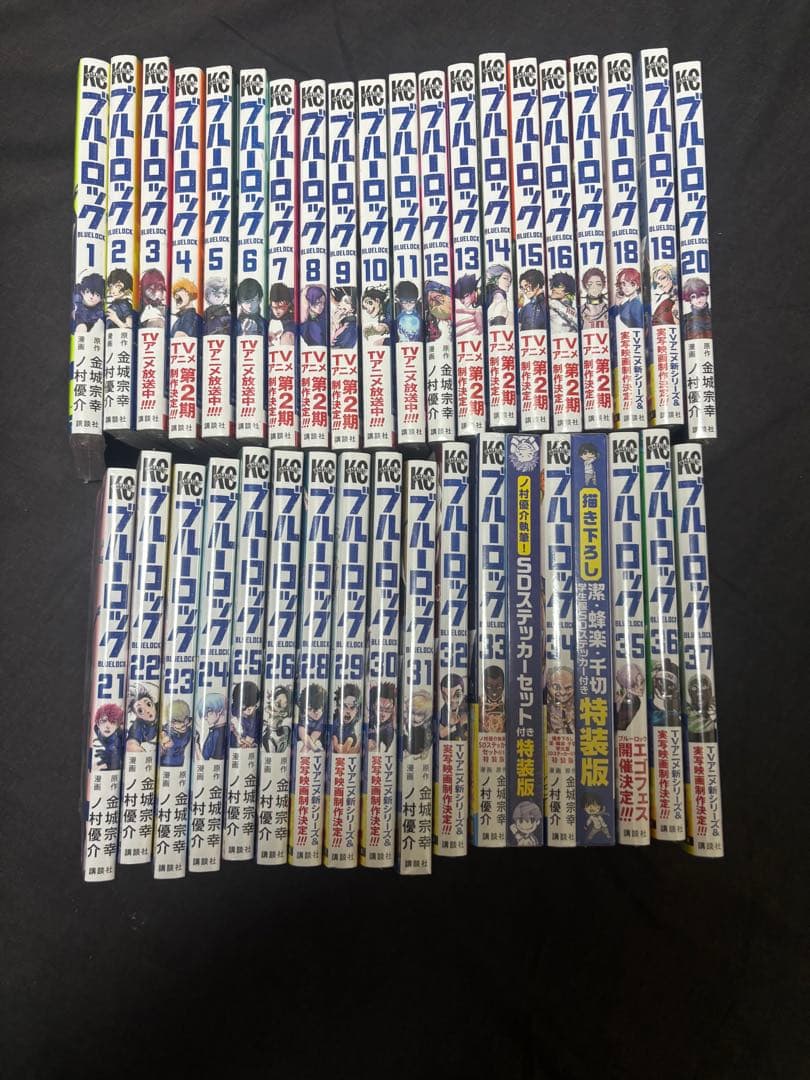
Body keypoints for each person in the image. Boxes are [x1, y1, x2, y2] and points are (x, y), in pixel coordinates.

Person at [126, 682, 159, 752]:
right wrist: (133, 747)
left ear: (153, 702)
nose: (147, 711)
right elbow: (131, 743)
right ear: (137, 715)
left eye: (148, 704)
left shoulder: (161, 708)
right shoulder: (138, 726)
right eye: (140, 710)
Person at [89, 704, 124, 772]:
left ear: (117, 726)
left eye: (113, 722)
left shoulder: (116, 741)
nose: (107, 726)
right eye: (103, 721)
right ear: (98, 723)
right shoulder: (95, 730)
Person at [158, 700, 192, 767]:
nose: (183, 725)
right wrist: (163, 747)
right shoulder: (165, 733)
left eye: (185, 719)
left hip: (180, 765)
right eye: (179, 722)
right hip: (165, 765)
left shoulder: (189, 729)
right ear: (170, 723)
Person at [649, 659, 681, 727]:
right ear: (654, 682)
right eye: (662, 682)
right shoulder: (648, 702)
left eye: (670, 685)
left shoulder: (677, 704)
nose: (665, 687)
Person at [230, 681, 262, 748]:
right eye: (244, 707)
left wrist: (246, 741)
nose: (249, 710)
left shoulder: (256, 717)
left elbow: (251, 738)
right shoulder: (232, 710)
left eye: (253, 706)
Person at [685, 673, 717, 740]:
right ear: (690, 693)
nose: (699, 693)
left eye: (704, 687)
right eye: (694, 688)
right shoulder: (687, 712)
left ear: (710, 691)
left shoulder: (714, 707)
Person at [331, 683, 361, 754]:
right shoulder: (332, 722)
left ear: (357, 710)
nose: (348, 711)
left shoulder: (354, 730)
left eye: (352, 708)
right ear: (338, 706)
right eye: (345, 706)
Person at [614, 662, 645, 731]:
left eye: (641, 682)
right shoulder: (618, 698)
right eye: (634, 684)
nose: (640, 687)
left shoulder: (636, 701)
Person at [262, 685, 292, 754]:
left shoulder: (287, 729)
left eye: (284, 703)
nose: (278, 704)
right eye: (278, 702)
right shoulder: (266, 734)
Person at [198, 692, 228, 761]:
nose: (205, 717)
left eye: (208, 712)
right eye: (204, 714)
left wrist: (197, 747)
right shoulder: (215, 730)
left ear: (220, 710)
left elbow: (213, 761)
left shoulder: (219, 733)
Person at [402, 688, 433, 756]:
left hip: (416, 751)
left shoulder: (424, 729)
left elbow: (423, 744)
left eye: (419, 715)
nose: (414, 717)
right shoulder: (407, 723)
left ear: (426, 715)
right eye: (412, 712)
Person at [367, 682, 396, 752]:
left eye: (388, 709)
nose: (383, 714)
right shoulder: (369, 718)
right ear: (373, 706)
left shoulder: (389, 728)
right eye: (379, 709)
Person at [546, 664, 575, 735]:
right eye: (556, 687)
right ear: (548, 686)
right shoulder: (545, 709)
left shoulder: (580, 706)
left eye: (568, 688)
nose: (562, 692)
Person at [297, 683, 326, 751]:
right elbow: (302, 733)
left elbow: (314, 737)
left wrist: (303, 753)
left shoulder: (322, 719)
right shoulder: (302, 716)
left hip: (314, 743)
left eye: (318, 707)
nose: (315, 712)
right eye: (310, 709)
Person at [438, 673, 467, 741]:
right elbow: (441, 734)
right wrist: (451, 725)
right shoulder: (444, 710)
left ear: (463, 692)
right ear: (442, 695)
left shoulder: (467, 704)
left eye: (457, 695)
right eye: (446, 696)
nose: (451, 700)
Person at [453, 274, 483, 340]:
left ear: (473, 291)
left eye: (466, 296)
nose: (463, 301)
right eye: (460, 298)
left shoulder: (485, 295)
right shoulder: (476, 303)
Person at [267, 283, 296, 347]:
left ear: (288, 304)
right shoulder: (268, 310)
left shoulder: (295, 300)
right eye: (274, 307)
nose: (277, 311)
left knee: (288, 337)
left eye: (280, 307)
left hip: (292, 323)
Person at [481, 665, 505, 733]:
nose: (494, 691)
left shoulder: (508, 705)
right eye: (489, 687)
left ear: (503, 686)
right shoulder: (480, 704)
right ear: (484, 686)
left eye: (499, 687)